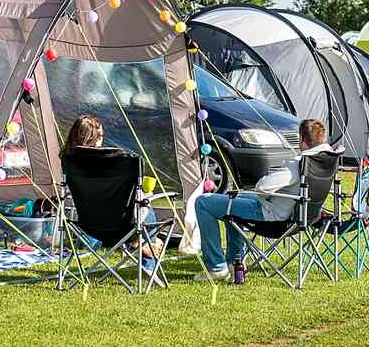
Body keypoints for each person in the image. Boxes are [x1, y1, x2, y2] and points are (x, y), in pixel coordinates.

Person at [193, 118, 334, 280]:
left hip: (273, 217)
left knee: (203, 202)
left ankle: (216, 267)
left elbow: (263, 187)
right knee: (232, 197)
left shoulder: (298, 165)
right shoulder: (325, 160)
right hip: (301, 217)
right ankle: (234, 261)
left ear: (301, 140)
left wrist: (266, 193)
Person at [61, 114, 163, 276]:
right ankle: (146, 253)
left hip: (89, 226)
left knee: (141, 203)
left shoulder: (68, 159)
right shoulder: (118, 160)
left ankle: (141, 245)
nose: (103, 138)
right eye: (101, 135)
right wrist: (147, 194)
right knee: (145, 202)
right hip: (124, 227)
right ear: (93, 137)